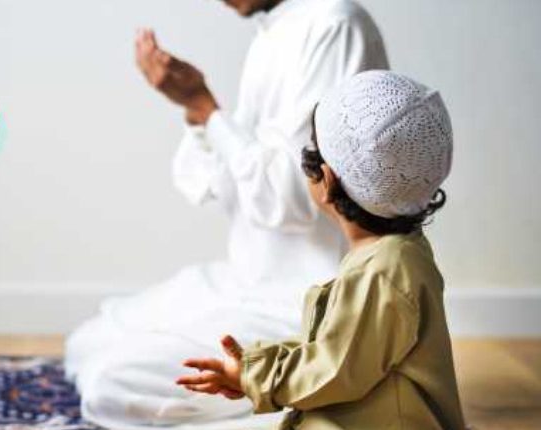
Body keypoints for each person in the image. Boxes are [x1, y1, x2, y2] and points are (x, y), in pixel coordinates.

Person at [65, 0, 388, 428]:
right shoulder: (271, 34)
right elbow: (221, 182)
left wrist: (206, 108)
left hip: (305, 303)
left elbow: (295, 199)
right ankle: (295, 400)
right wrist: (197, 111)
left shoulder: (335, 26)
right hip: (243, 281)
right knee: (85, 347)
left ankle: (316, 403)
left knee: (112, 385)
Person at [177, 70, 466, 430]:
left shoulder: (383, 271)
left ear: (326, 181)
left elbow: (336, 368)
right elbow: (338, 348)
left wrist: (255, 377)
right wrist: (253, 367)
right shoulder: (395, 254)